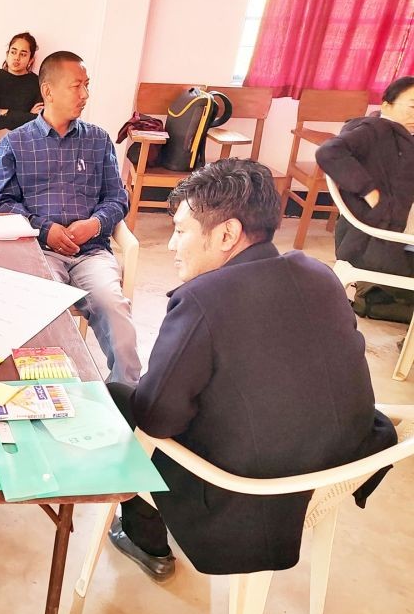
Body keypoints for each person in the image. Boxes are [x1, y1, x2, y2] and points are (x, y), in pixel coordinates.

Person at [105, 159, 397, 582]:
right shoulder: (319, 274)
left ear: (227, 234)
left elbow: (157, 418)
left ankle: (144, 537)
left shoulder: (203, 299)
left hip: (244, 493)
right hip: (340, 465)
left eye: (181, 231)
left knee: (117, 398)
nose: (170, 245)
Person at [0, 50, 140, 386]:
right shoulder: (16, 143)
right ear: (48, 91)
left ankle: (127, 398)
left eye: (87, 86)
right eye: (77, 86)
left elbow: (117, 197)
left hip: (92, 252)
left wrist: (95, 224)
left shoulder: (98, 140)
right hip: (39, 252)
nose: (85, 95)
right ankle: (48, 396)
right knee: (38, 316)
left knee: (116, 311)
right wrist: (45, 229)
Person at [315, 75, 414, 278]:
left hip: (386, 238)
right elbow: (328, 152)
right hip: (376, 242)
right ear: (386, 106)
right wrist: (370, 193)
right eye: (412, 107)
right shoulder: (376, 129)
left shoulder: (402, 139)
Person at [0, 31, 43, 157]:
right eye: (13, 52)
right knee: (11, 145)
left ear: (31, 59)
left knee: (33, 148)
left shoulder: (36, 82)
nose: (17, 57)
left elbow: (38, 120)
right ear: (7, 54)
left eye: (23, 54)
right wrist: (26, 115)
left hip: (25, 137)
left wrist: (7, 113)